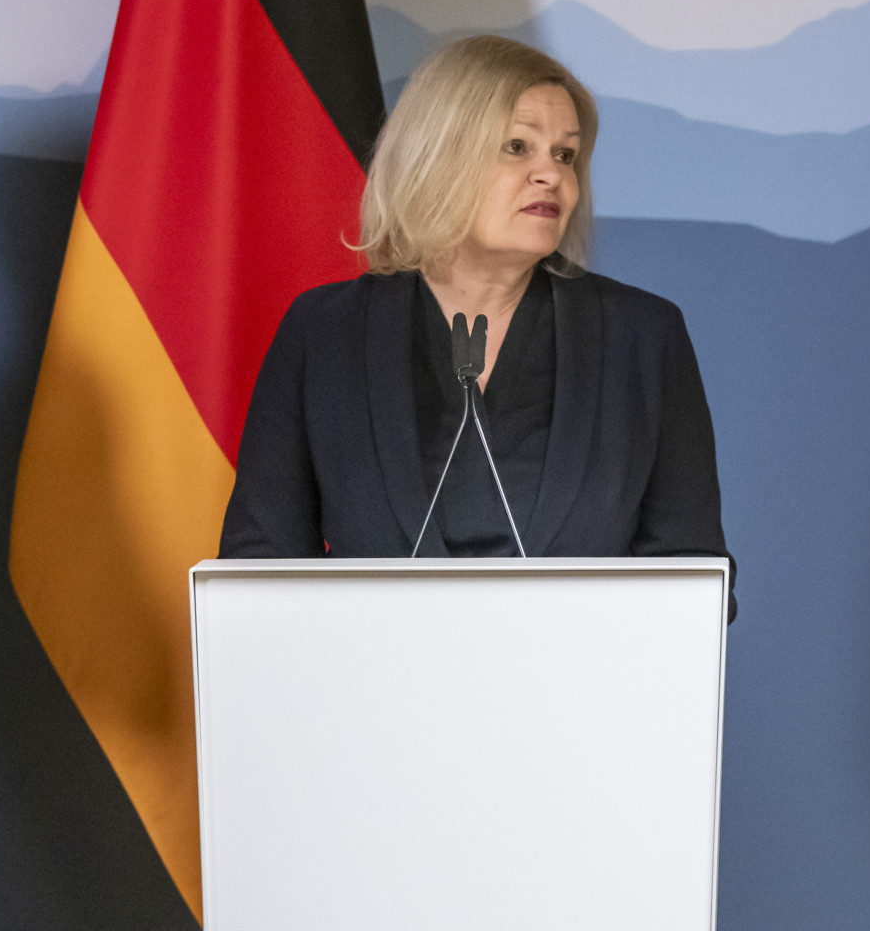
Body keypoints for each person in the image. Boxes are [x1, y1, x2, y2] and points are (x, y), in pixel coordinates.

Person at [220, 36, 733, 596]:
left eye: (565, 155)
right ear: (436, 156)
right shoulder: (324, 333)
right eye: (517, 146)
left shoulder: (643, 336)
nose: (551, 175)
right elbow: (258, 570)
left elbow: (693, 578)